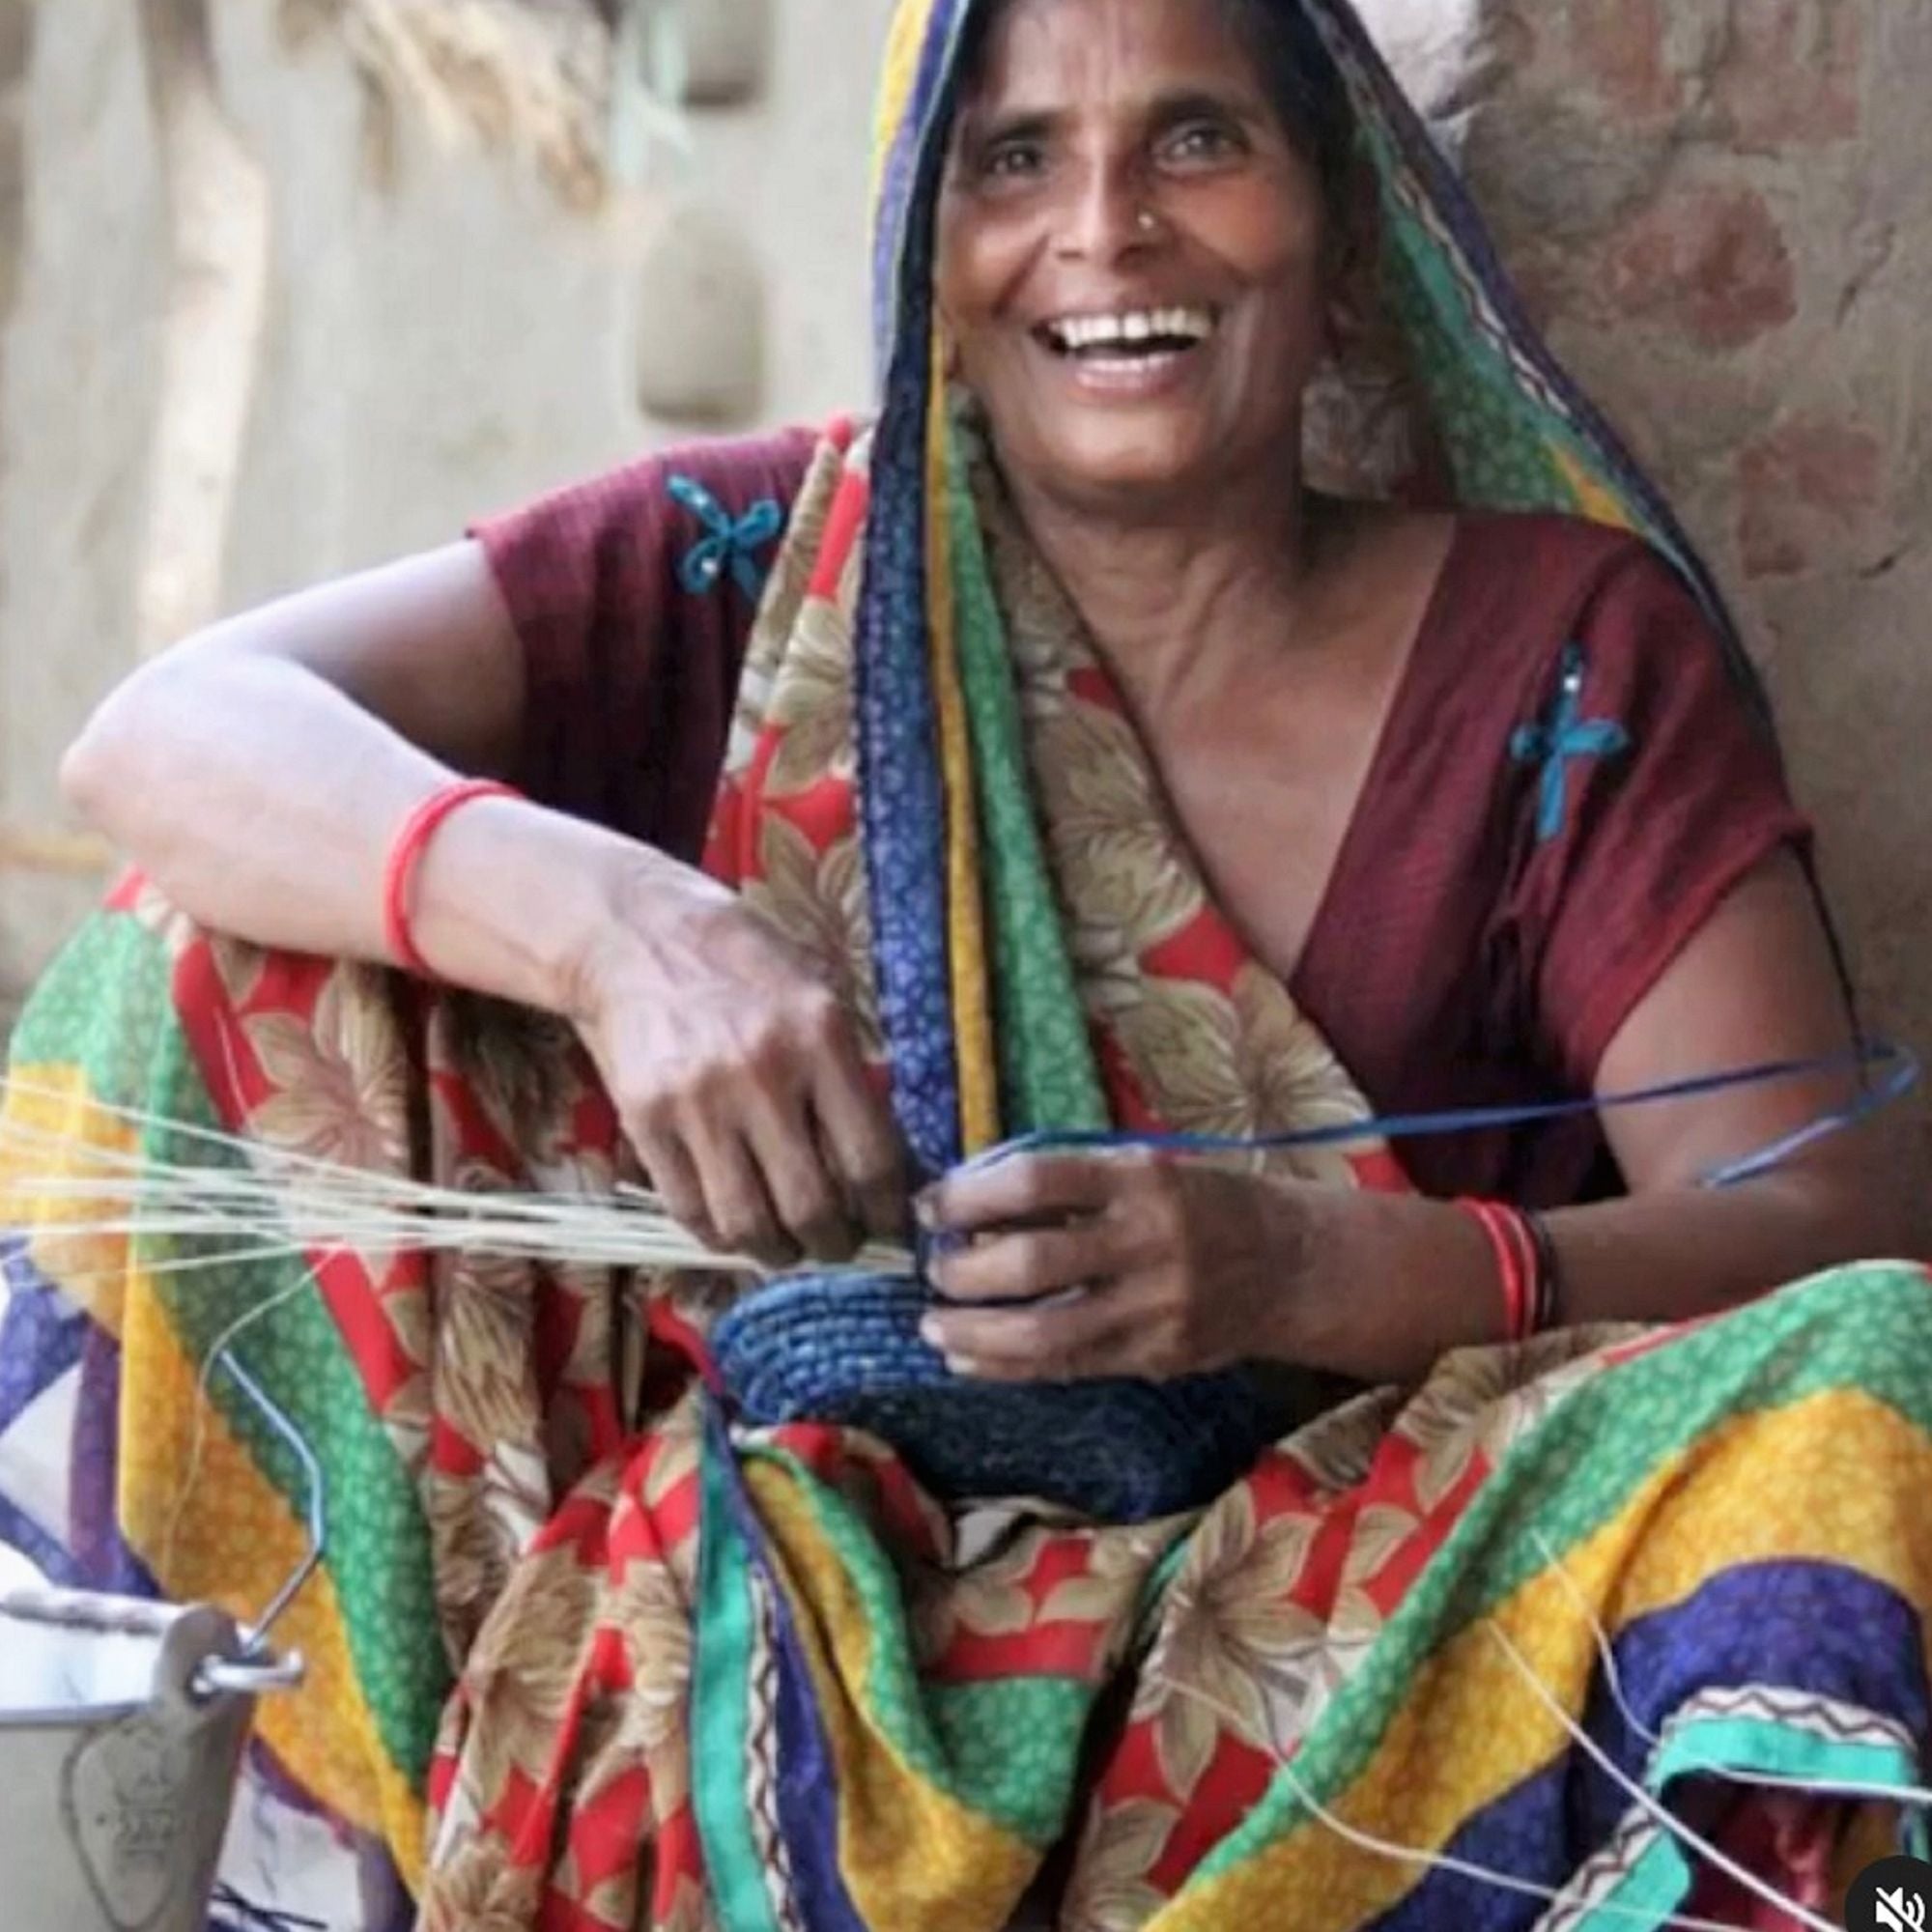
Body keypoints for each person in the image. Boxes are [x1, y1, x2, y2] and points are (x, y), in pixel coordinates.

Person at [1, 0, 1925, 1925]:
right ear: (930, 251)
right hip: (737, 1616)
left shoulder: (1554, 662)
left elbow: (1833, 1230)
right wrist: (620, 932)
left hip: (1336, 1644)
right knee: (211, 965)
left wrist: (1315, 1268)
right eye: (1012, 159)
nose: (1104, 229)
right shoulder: (766, 568)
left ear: (1337, 234)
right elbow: (171, 736)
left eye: (1194, 143)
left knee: (1877, 1387)